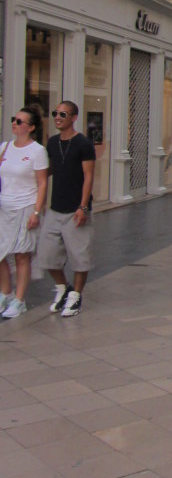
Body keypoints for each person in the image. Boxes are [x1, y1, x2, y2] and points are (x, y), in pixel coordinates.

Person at [38, 101, 96, 318]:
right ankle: (63, 288)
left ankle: (76, 296)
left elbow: (88, 177)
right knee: (46, 254)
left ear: (73, 117)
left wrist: (83, 206)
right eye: (55, 113)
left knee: (80, 256)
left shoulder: (83, 144)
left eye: (63, 114)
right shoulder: (52, 143)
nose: (57, 117)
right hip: (55, 209)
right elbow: (48, 171)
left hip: (76, 209)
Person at [0, 106, 49, 318]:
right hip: (4, 206)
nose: (14, 123)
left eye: (19, 121)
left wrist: (36, 212)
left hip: (25, 206)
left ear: (31, 127)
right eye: (14, 119)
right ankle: (6, 294)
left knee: (22, 255)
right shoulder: (4, 147)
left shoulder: (37, 151)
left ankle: (19, 301)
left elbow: (42, 184)